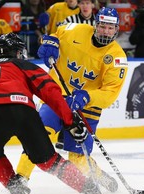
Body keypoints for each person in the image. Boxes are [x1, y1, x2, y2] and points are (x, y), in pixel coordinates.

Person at [0, 32, 105, 194]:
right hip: (22, 111)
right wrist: (70, 121)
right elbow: (50, 91)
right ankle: (90, 191)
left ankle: (15, 188)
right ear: (17, 52)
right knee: (49, 161)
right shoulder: (22, 65)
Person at [16, 7, 128, 193]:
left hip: (87, 107)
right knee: (39, 136)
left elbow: (110, 93)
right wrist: (50, 43)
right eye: (102, 26)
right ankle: (20, 178)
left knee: (78, 156)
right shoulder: (75, 30)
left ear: (116, 29)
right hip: (56, 96)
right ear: (95, 25)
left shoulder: (117, 58)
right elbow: (55, 34)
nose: (105, 31)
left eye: (110, 28)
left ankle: (99, 176)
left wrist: (87, 96)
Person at [55, 0, 96, 149]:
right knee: (66, 98)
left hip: (90, 67)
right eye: (82, 3)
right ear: (78, 5)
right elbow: (57, 36)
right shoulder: (69, 21)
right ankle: (63, 132)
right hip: (72, 64)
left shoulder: (100, 23)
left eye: (88, 3)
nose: (85, 6)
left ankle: (76, 135)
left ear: (93, 5)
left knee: (81, 102)